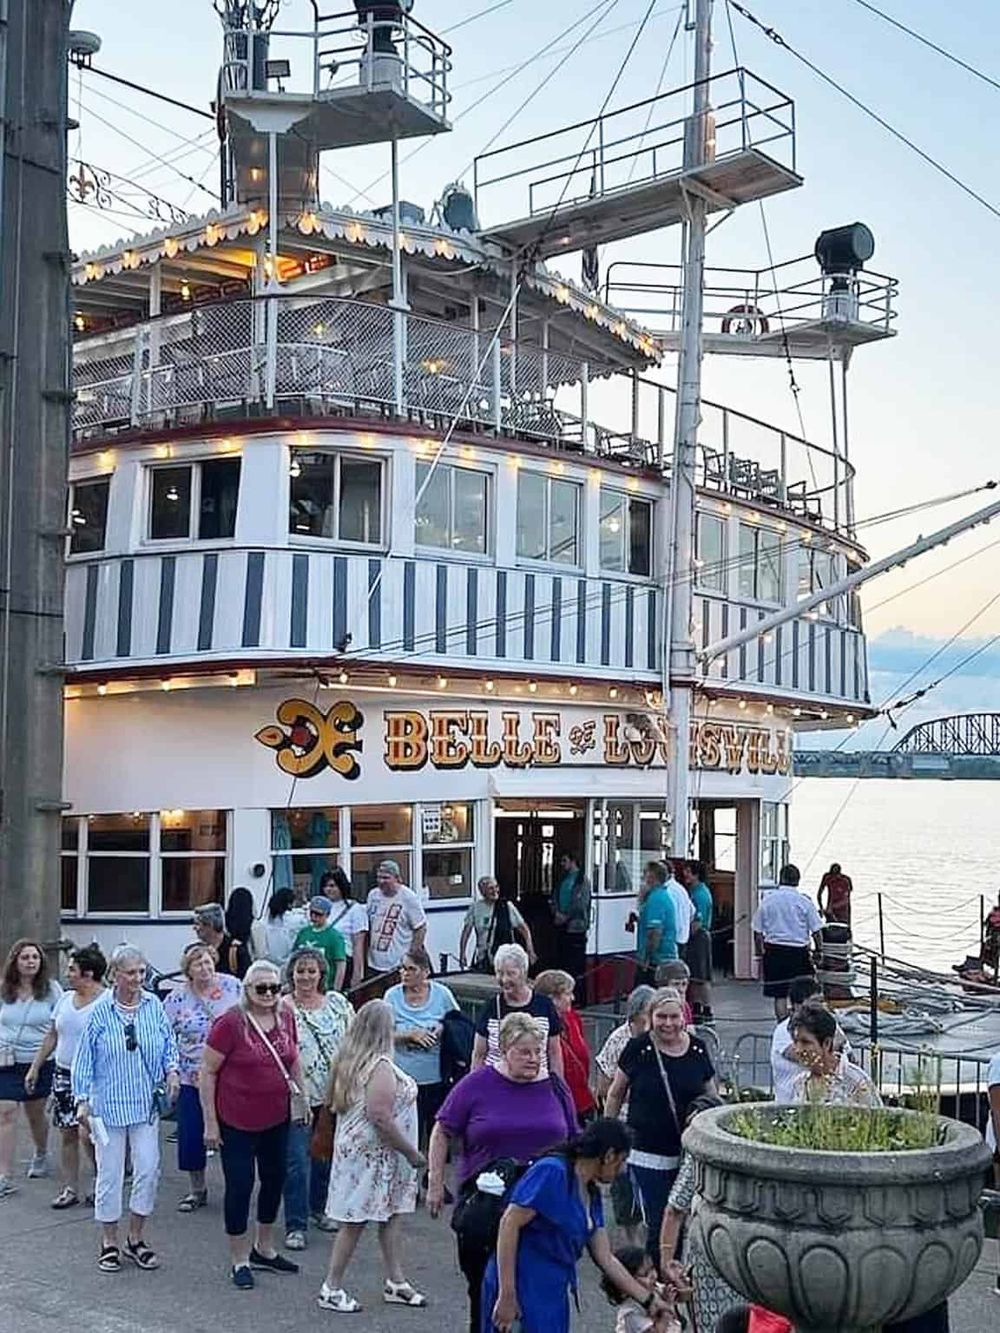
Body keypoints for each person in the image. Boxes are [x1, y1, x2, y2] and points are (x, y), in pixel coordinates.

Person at [428, 1011, 579, 1333]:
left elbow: (574, 1143)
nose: (534, 1058)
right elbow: (442, 1131)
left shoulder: (556, 1087)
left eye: (538, 1051)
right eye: (524, 1052)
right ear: (504, 1049)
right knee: (484, 1294)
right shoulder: (477, 1083)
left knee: (537, 1294)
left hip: (541, 1208)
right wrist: (435, 1183)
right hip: (487, 1206)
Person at [483, 1118, 673, 1333]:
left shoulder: (591, 1192)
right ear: (608, 1156)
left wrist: (648, 1300)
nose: (622, 1170)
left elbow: (606, 1258)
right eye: (621, 1161)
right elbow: (509, 1224)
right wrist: (507, 1294)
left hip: (551, 1291)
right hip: (522, 1284)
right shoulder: (552, 1172)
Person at [200, 959, 307, 1289]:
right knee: (240, 1186)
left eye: (275, 988)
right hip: (236, 1121)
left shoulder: (286, 1015)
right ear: (247, 989)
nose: (269, 994)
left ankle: (264, 1247)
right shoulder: (230, 1023)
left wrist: (301, 1099)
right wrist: (211, 1124)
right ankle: (239, 1258)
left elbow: (294, 1059)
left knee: (274, 1180)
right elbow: (207, 1072)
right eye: (261, 988)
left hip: (276, 1117)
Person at [72, 945, 180, 1273]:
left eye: (142, 972)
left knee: (148, 1170)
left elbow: (168, 1043)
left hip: (144, 1105)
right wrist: (82, 1100)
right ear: (115, 975)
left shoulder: (153, 1006)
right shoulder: (101, 1012)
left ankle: (135, 1237)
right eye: (131, 973)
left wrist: (172, 1071)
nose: (138, 979)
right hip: (107, 1107)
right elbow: (84, 1059)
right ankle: (109, 1241)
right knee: (110, 1174)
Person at [319, 999, 427, 1313]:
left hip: (365, 1153)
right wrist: (412, 1153)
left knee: (392, 1213)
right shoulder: (378, 1065)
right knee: (355, 1220)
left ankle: (396, 1280)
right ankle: (331, 1286)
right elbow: (380, 1116)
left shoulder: (349, 1059)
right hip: (376, 1155)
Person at [605, 987, 716, 1259]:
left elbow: (711, 1096)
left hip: (685, 1152)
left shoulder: (698, 1048)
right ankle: (659, 1282)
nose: (668, 1023)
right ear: (651, 1017)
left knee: (680, 1222)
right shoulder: (638, 1048)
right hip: (645, 1154)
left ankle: (671, 1276)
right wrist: (609, 1136)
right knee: (659, 1221)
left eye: (674, 1017)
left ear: (684, 1016)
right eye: (661, 1017)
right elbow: (615, 1093)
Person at [281, 946, 353, 1250]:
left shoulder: (337, 1003)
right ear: (292, 974)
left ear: (321, 974)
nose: (306, 977)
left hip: (332, 1094)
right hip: (297, 1095)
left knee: (325, 1158)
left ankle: (320, 1209)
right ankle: (295, 1225)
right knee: (297, 1161)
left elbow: (353, 1040)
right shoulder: (282, 1006)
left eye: (312, 971)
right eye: (301, 971)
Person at [163, 943, 241, 1212]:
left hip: (230, 1074)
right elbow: (166, 1039)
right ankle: (197, 1189)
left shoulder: (233, 987)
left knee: (234, 1133)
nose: (205, 968)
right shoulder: (175, 999)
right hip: (191, 1074)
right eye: (198, 964)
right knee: (192, 1134)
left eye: (208, 962)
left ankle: (236, 1187)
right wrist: (170, 1070)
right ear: (188, 970)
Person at [25, 944, 104, 1208]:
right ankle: (70, 1188)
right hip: (64, 1073)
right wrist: (35, 1066)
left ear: (89, 974)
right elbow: (53, 1034)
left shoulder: (107, 1002)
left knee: (89, 1134)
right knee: (67, 1132)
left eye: (72, 969)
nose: (67, 973)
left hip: (95, 1078)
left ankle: (99, 1180)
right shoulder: (65, 999)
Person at [660, 1093, 745, 1333]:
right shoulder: (747, 1150)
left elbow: (674, 1210)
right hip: (747, 1259)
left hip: (708, 1259)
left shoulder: (700, 1155)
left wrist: (667, 1262)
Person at [0, 939, 64, 1196]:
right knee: (5, 1113)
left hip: (38, 1060)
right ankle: (4, 1174)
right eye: (25, 957)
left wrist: (40, 1063)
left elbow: (58, 1026)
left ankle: (41, 1152)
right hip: (6, 1061)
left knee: (35, 1114)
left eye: (34, 958)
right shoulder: (4, 989)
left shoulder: (51, 990)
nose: (30, 962)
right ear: (15, 961)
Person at [594, 985, 654, 1243]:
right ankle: (632, 1240)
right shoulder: (620, 1040)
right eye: (647, 1018)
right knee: (625, 1183)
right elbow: (605, 1087)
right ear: (634, 1017)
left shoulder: (663, 1037)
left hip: (654, 1124)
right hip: (626, 1121)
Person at [385, 946, 458, 1147]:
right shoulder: (391, 996)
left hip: (436, 1077)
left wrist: (442, 1028)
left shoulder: (442, 994)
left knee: (436, 1135)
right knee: (407, 1138)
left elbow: (458, 1023)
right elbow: (383, 1035)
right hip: (403, 1079)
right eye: (402, 969)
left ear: (425, 972)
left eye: (411, 969)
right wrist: (410, 1034)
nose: (404, 974)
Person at [471, 943, 564, 1078]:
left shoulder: (544, 1005)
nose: (504, 979)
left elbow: (554, 1052)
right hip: (496, 1086)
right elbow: (479, 1055)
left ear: (524, 972)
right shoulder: (490, 1008)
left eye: (510, 973)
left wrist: (558, 1086)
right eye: (499, 973)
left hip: (536, 1083)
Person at [752, 864, 823, 1020]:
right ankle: (804, 1021)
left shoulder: (768, 900)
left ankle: (782, 1025)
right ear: (797, 880)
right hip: (798, 952)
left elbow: (757, 931)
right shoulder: (804, 902)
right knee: (805, 991)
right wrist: (819, 951)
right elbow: (817, 931)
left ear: (781, 878)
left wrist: (760, 952)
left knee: (780, 994)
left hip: (774, 951)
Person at [770, 976, 851, 1105]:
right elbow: (804, 1055)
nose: (821, 1006)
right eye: (815, 1002)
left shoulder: (830, 1024)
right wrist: (835, 1044)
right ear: (797, 1005)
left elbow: (847, 1052)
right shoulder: (783, 1031)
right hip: (791, 1105)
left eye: (822, 1001)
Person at [789, 1002, 882, 1107]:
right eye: (795, 1041)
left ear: (827, 1043)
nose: (798, 1049)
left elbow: (877, 1119)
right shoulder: (800, 1083)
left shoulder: (856, 1082)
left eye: (805, 1042)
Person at [534, 969, 595, 1121]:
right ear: (552, 999)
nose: (572, 998)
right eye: (568, 994)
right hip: (555, 1102)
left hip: (582, 1100)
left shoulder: (573, 1018)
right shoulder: (538, 1028)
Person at [365, 860, 427, 992]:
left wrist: (410, 957)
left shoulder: (409, 898)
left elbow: (420, 928)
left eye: (386, 878)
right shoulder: (373, 895)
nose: (381, 881)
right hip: (374, 963)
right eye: (379, 877)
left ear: (397, 878)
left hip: (397, 965)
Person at [459, 876, 536, 973]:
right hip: (485, 958)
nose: (495, 891)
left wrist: (530, 948)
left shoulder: (507, 906)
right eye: (491, 888)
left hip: (504, 958)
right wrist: (462, 953)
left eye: (496, 887)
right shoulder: (475, 908)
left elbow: (524, 928)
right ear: (482, 891)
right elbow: (466, 932)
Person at [602, 1244, 683, 1333]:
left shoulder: (655, 1288)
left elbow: (680, 1295)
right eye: (645, 1274)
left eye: (652, 1268)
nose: (653, 1275)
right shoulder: (631, 1312)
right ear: (626, 1283)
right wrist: (667, 1306)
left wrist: (676, 1279)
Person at [321, 868, 369, 990]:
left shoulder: (355, 909)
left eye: (333, 886)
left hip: (343, 962)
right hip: (322, 962)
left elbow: (358, 945)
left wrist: (358, 973)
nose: (329, 889)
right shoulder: (319, 907)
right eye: (326, 886)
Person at [552, 851, 591, 1000]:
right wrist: (556, 912)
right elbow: (554, 897)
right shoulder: (563, 880)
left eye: (564, 861)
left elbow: (580, 904)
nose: (562, 864)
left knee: (576, 964)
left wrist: (566, 916)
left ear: (573, 861)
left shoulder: (582, 881)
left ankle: (579, 997)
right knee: (564, 961)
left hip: (576, 927)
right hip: (562, 926)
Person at [681, 862, 715, 1021]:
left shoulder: (700, 894)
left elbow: (697, 921)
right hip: (697, 936)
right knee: (694, 974)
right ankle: (696, 1006)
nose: (685, 875)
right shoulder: (693, 892)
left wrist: (685, 935)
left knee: (701, 975)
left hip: (699, 937)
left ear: (696, 874)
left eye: (688, 872)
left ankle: (706, 1009)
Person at [293, 896, 348, 992]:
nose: (314, 917)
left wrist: (336, 990)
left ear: (327, 915)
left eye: (318, 914)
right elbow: (293, 958)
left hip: (324, 987)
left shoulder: (334, 936)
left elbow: (340, 965)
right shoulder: (303, 932)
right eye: (312, 913)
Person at [635, 863, 678, 985]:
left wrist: (646, 959)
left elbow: (655, 932)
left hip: (657, 960)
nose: (642, 879)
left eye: (645, 875)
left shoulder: (656, 899)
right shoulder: (659, 896)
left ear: (652, 877)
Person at [193, 902, 251, 980]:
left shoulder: (236, 951)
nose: (194, 928)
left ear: (210, 925)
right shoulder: (197, 950)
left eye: (198, 924)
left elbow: (247, 982)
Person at [252, 888, 307, 968]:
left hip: (268, 964)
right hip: (286, 963)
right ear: (289, 903)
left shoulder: (263, 923)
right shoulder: (293, 919)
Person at [664, 863, 695, 963]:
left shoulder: (667, 891)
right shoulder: (681, 889)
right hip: (683, 938)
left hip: (672, 941)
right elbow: (692, 911)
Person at [655, 960, 695, 1027]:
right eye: (676, 984)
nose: (681, 990)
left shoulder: (685, 1006)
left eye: (684, 984)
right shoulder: (655, 1008)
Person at [817, 862, 853, 927]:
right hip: (840, 910)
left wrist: (822, 909)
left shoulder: (844, 879)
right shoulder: (829, 877)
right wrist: (822, 908)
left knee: (833, 930)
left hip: (839, 910)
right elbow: (819, 895)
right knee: (842, 930)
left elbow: (819, 895)